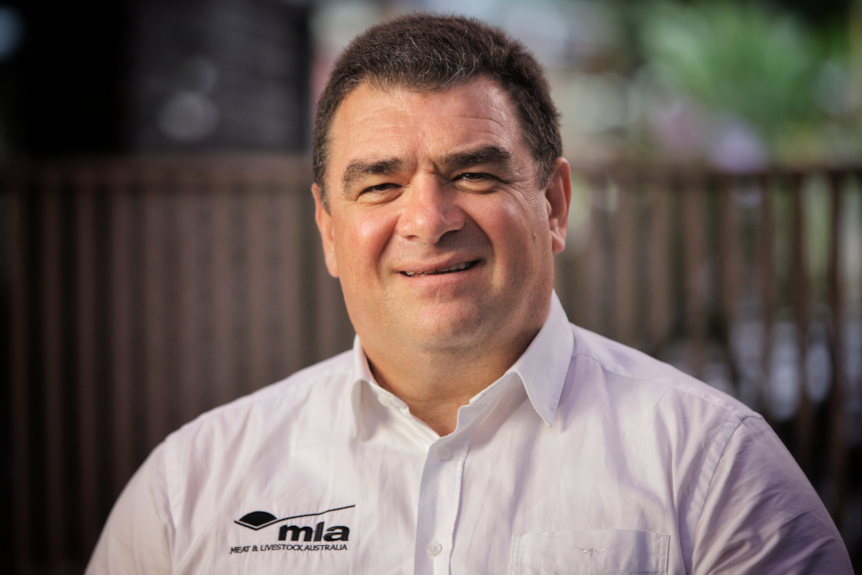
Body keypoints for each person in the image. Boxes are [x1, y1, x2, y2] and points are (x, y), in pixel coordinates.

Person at [87, 13, 852, 574]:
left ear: (554, 204)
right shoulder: (188, 489)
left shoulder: (714, 470)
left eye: (474, 173)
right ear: (328, 228)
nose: (427, 218)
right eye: (380, 184)